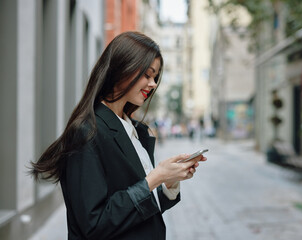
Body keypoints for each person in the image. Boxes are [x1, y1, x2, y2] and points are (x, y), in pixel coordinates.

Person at [30, 31, 206, 240]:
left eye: (155, 77)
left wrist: (169, 182)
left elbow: (139, 210)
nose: (153, 84)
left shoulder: (135, 130)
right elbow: (93, 224)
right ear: (122, 68)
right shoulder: (87, 132)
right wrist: (155, 177)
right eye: (147, 75)